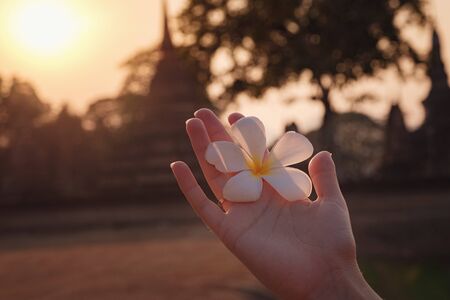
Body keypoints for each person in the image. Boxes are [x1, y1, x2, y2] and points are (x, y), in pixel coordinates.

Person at [170, 108, 381, 300]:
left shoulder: (287, 182)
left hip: (260, 173)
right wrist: (334, 282)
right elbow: (223, 158)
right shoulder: (245, 173)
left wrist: (332, 277)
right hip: (254, 173)